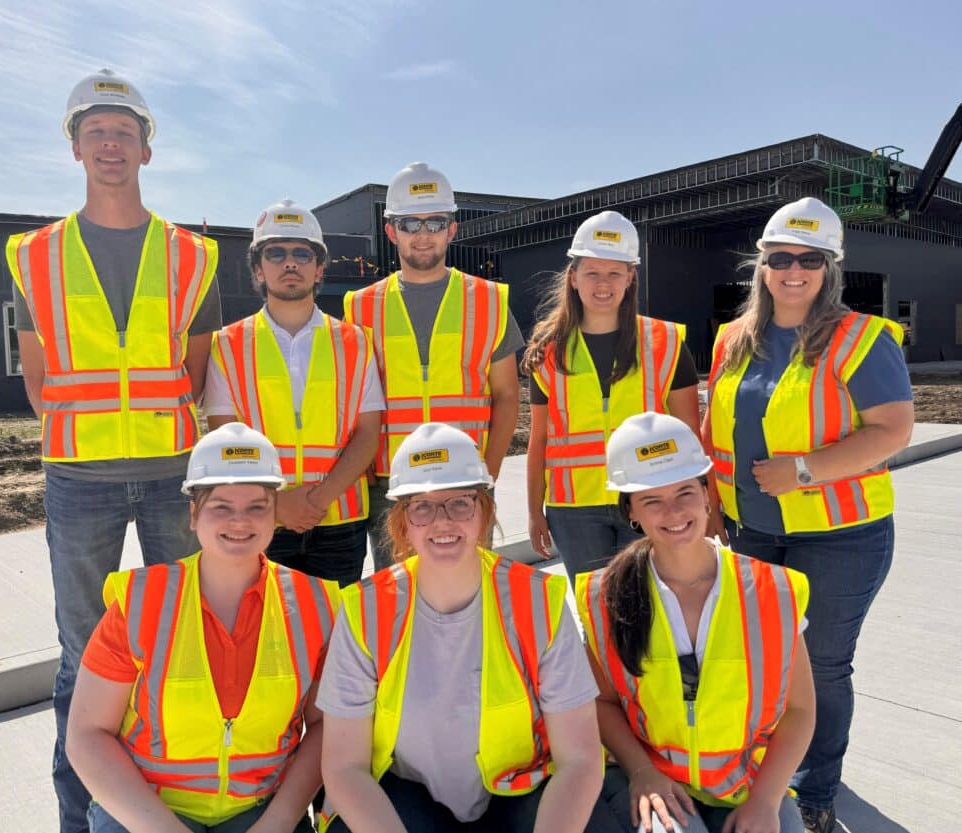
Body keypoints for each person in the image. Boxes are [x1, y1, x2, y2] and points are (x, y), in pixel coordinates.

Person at [5, 68, 221, 832]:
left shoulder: (194, 256)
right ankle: (80, 816)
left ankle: (168, 801)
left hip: (172, 476)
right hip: (78, 479)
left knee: (173, 644)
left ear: (146, 149)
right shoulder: (32, 255)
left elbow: (197, 372)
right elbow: (38, 379)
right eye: (94, 130)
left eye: (123, 131)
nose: (109, 143)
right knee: (80, 658)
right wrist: (86, 432)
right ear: (73, 146)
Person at [701, 197, 914, 833]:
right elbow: (719, 426)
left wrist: (800, 472)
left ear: (830, 269)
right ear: (762, 265)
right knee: (764, 660)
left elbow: (894, 430)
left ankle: (815, 790)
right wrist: (714, 501)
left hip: (842, 537)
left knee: (820, 666)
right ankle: (766, 771)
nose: (794, 270)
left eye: (810, 260)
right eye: (781, 258)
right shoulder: (735, 339)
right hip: (753, 533)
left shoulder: (861, 338)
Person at [317, 423, 608, 833]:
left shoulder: (538, 601)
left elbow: (580, 759)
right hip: (407, 800)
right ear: (402, 522)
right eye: (422, 506)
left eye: (460, 503)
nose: (442, 521)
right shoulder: (366, 609)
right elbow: (345, 768)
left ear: (484, 510)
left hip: (518, 794)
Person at [66, 423, 341, 833]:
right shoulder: (140, 602)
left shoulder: (316, 605)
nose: (240, 521)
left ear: (274, 514)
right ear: (194, 515)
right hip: (146, 811)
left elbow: (324, 729)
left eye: (257, 507)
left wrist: (279, 822)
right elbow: (87, 736)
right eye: (221, 506)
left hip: (261, 812)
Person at [576, 412, 816, 833]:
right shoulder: (604, 596)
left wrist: (765, 800)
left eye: (684, 492)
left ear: (707, 494)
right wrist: (640, 773)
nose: (673, 512)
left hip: (746, 783)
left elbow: (800, 711)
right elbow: (600, 703)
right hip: (653, 780)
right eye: (652, 500)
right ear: (630, 511)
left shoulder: (770, 590)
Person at [343, 162, 524, 570]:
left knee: (469, 601)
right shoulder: (359, 307)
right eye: (409, 223)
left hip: (466, 481)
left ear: (451, 229)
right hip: (392, 484)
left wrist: (487, 477)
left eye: (435, 222)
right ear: (391, 231)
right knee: (400, 604)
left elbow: (508, 396)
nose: (422, 235)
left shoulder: (489, 301)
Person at [204, 200, 382, 586]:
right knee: (264, 641)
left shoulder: (355, 342)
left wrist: (316, 501)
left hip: (340, 520)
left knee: (335, 641)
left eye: (302, 253)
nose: (290, 263)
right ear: (258, 268)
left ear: (319, 268)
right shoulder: (228, 345)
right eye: (276, 253)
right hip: (260, 522)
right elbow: (225, 441)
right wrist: (277, 504)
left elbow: (368, 433)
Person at [522, 211, 700, 581]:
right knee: (597, 615)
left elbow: (690, 434)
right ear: (573, 278)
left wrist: (701, 503)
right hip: (573, 509)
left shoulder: (665, 342)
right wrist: (534, 510)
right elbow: (539, 439)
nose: (603, 284)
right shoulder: (547, 351)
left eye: (614, 273)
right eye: (592, 273)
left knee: (655, 608)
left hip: (650, 499)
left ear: (630, 276)